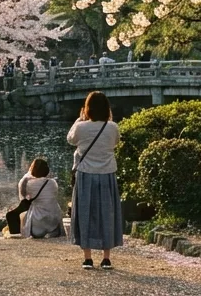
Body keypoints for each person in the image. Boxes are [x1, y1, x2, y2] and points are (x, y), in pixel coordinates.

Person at [67, 91, 122, 270]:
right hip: (107, 174)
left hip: (86, 174)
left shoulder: (81, 127)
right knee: (107, 213)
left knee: (85, 214)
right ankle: (106, 258)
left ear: (87, 108)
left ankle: (88, 258)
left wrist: (79, 119)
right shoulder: (112, 127)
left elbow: (70, 139)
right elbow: (115, 143)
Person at [16, 157, 63, 239]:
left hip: (37, 223)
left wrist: (28, 177)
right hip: (54, 220)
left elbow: (22, 198)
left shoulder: (29, 184)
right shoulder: (53, 183)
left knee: (23, 215)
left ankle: (27, 233)